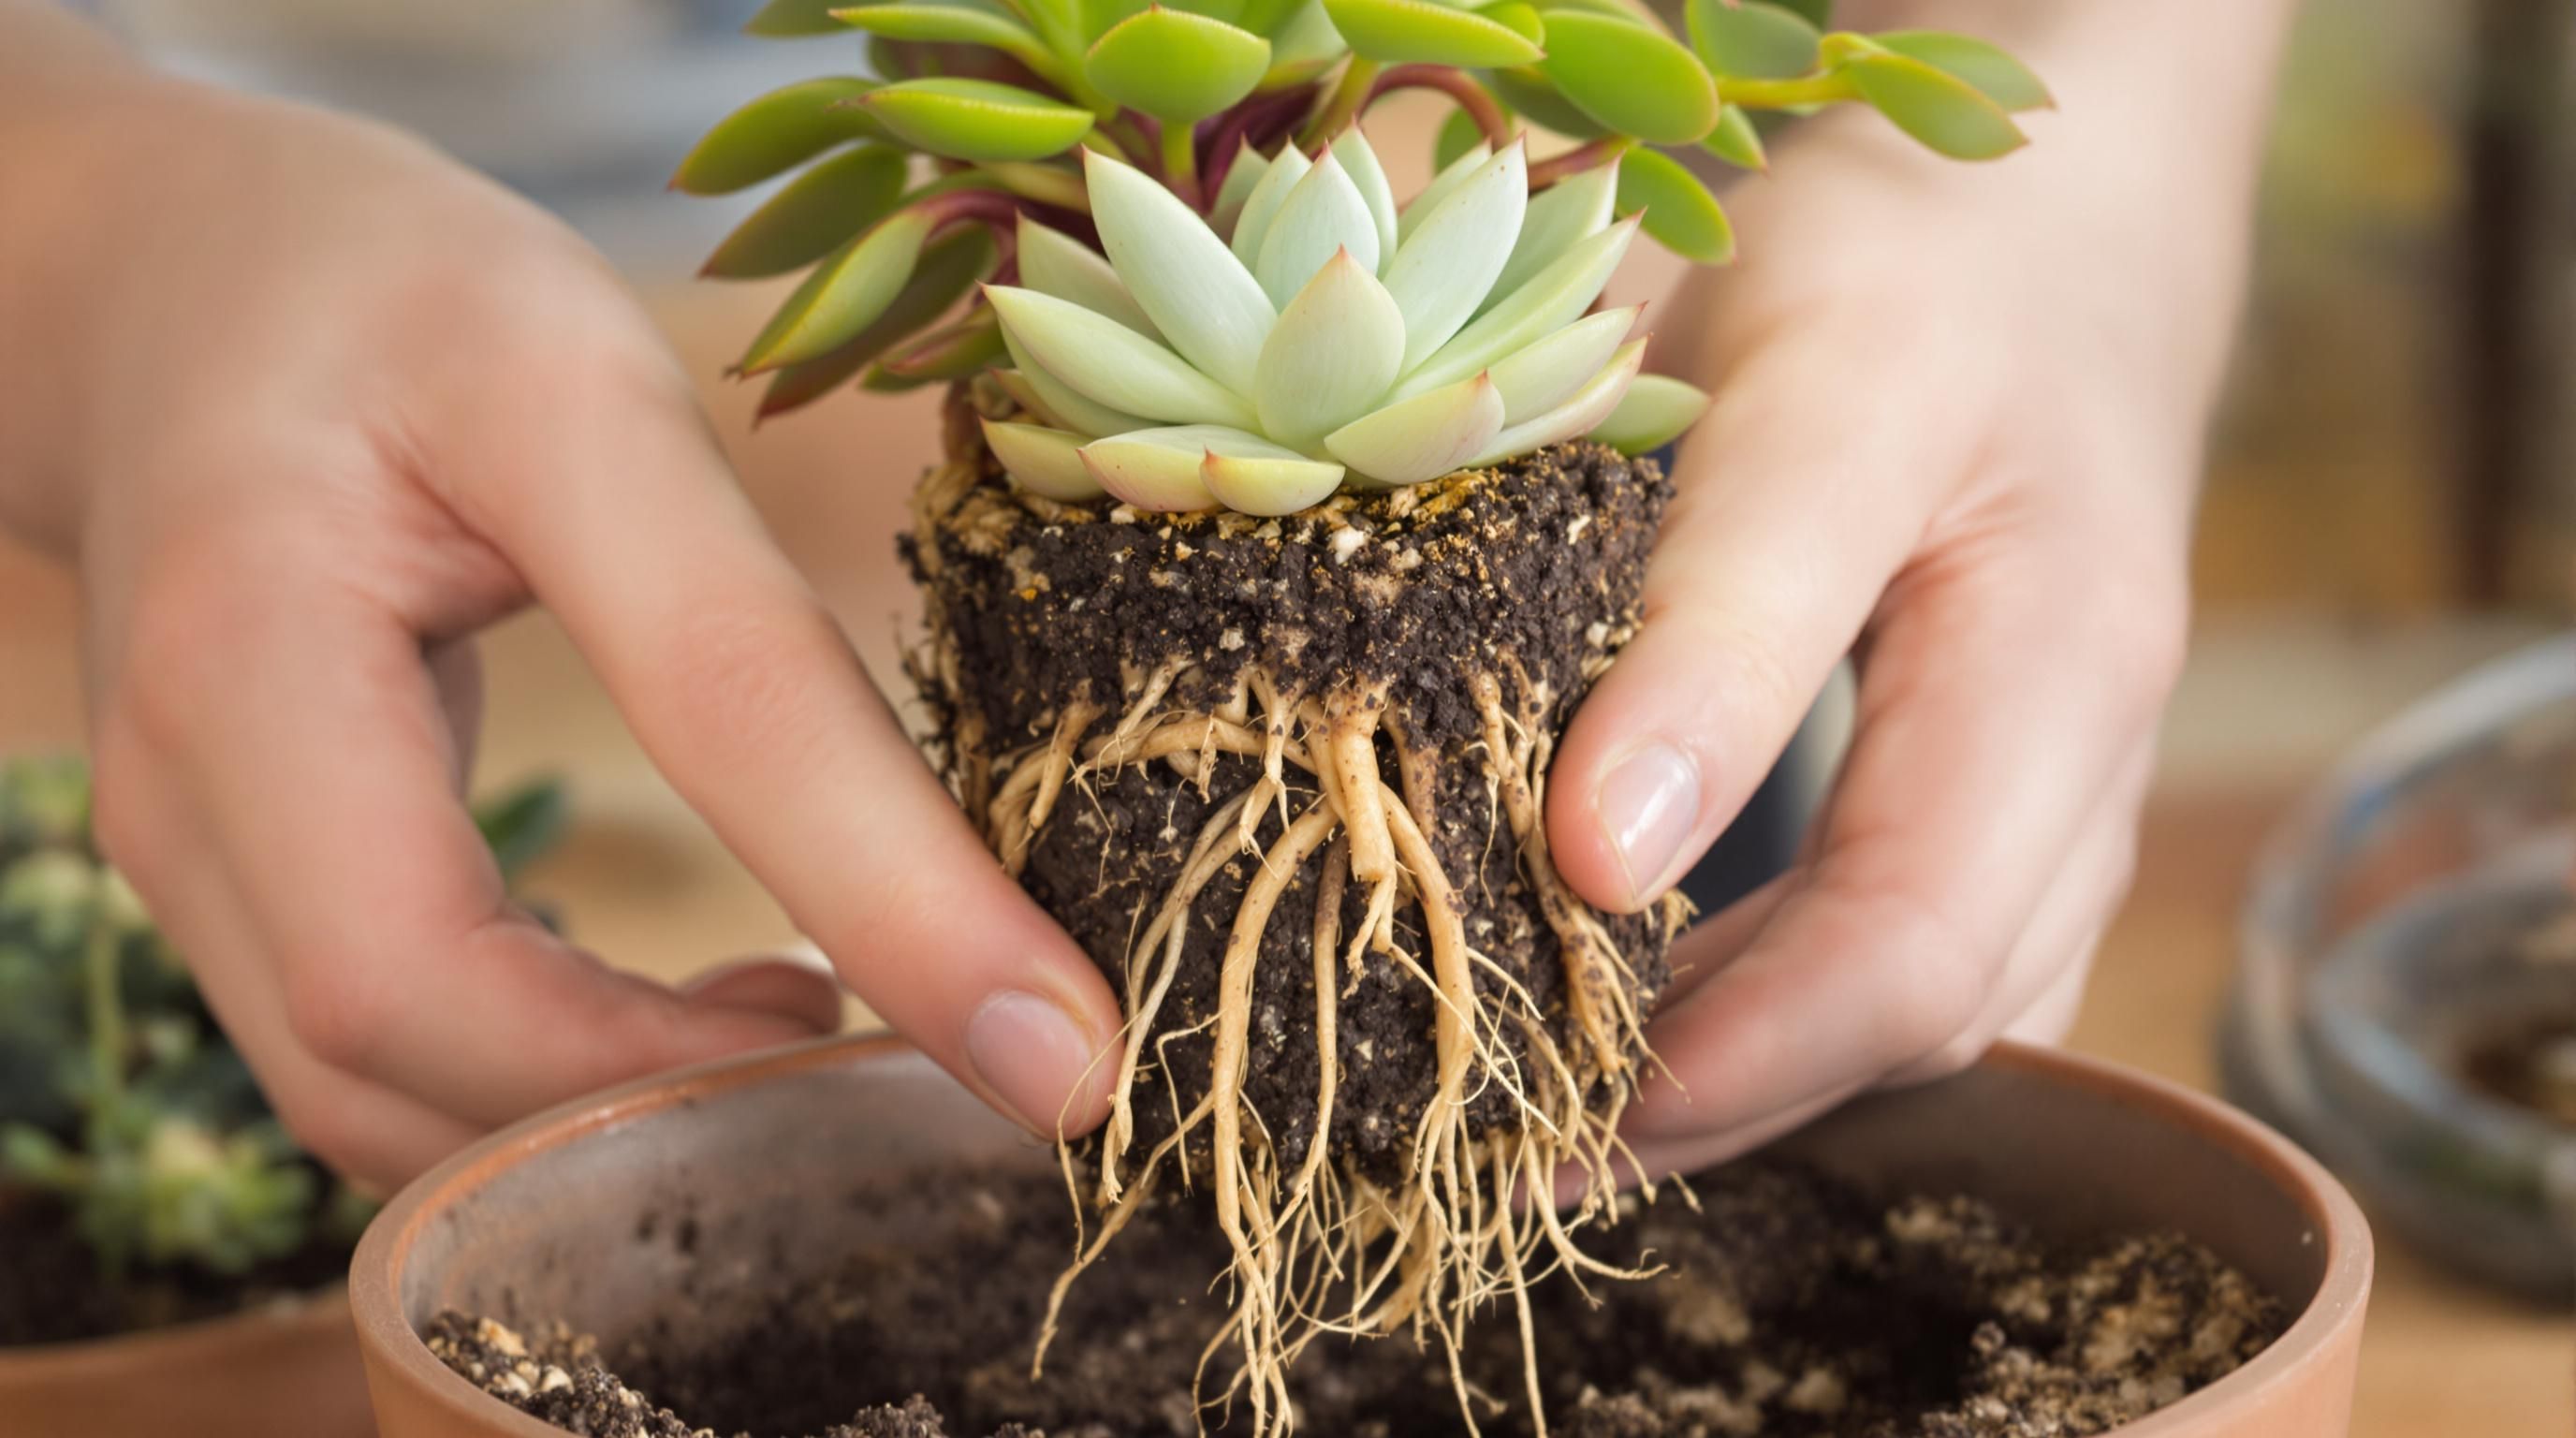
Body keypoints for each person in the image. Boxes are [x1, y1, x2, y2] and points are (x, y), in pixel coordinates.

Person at [0, 0, 2297, 1196]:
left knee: (1598, 1132)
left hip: (1647, 526)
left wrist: (2106, 194)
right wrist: (86, 226)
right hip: (296, 557)